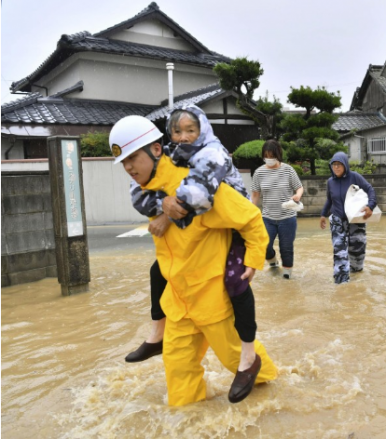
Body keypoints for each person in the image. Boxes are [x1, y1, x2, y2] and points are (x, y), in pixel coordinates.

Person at [111, 113, 276, 405]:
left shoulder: (199, 187)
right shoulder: (148, 193)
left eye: (133, 158)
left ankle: (277, 401)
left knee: (243, 365)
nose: (128, 167)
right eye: (123, 162)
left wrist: (253, 259)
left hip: (213, 300)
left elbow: (250, 217)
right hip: (179, 302)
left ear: (156, 150)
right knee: (178, 377)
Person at [125, 105, 256, 373]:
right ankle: (157, 333)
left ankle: (249, 353)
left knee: (236, 280)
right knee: (158, 271)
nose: (183, 136)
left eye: (190, 130)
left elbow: (200, 194)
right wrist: (164, 203)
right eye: (177, 131)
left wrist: (165, 214)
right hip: (198, 229)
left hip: (233, 227)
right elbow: (140, 194)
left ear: (202, 130)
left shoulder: (213, 152)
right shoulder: (171, 156)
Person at [320, 151, 376, 284]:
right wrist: (323, 214)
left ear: (345, 165)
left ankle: (356, 274)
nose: (337, 168)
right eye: (334, 165)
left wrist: (371, 206)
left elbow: (370, 190)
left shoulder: (355, 177)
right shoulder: (330, 182)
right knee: (340, 252)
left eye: (339, 164)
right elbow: (329, 200)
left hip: (355, 219)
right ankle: (341, 282)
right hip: (337, 219)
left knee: (357, 249)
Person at [251, 140, 304, 279]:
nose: (269, 159)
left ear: (278, 155)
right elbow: (255, 194)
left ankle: (287, 276)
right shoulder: (259, 172)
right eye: (266, 156)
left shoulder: (288, 170)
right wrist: (251, 212)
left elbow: (299, 186)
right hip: (267, 217)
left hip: (287, 217)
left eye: (272, 155)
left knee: (286, 248)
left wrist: (297, 195)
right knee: (264, 245)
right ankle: (273, 262)